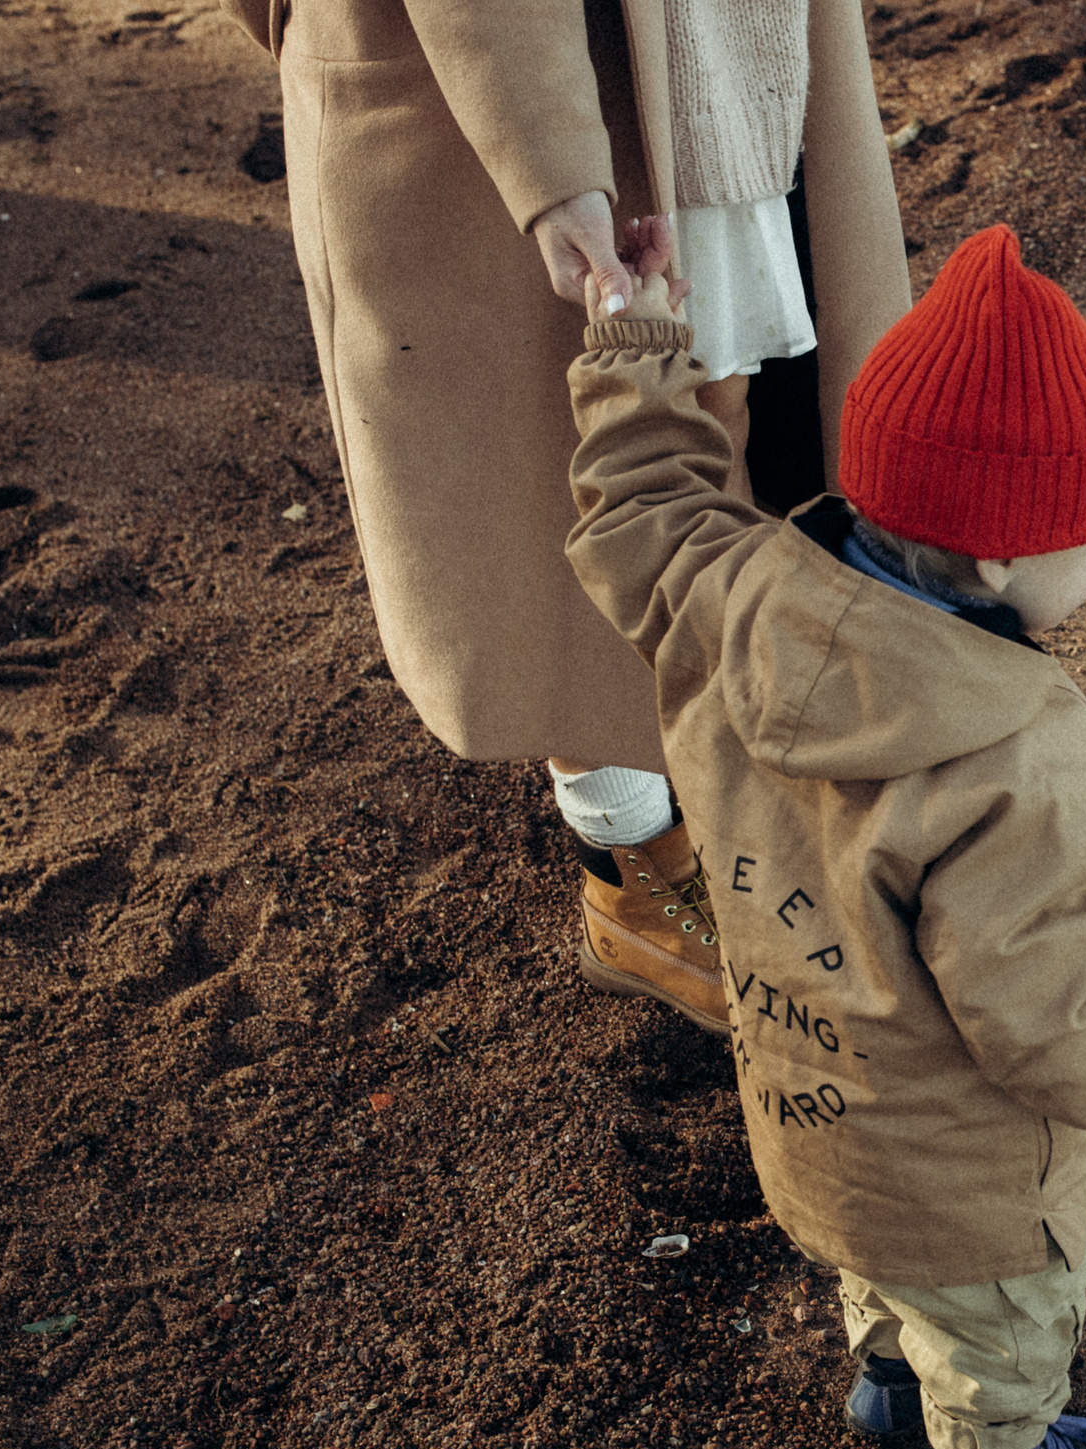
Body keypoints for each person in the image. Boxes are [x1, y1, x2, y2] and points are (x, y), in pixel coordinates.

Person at [561, 225, 1086, 1449]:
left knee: (874, 1249)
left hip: (803, 1095)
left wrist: (631, 353)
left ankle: (890, 1380)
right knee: (1006, 1311)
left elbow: (637, 509)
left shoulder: (736, 589)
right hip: (964, 1165)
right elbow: (1034, 1000)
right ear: (1003, 563)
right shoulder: (1029, 757)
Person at [221, 0, 910, 1031]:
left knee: (736, 443)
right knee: (571, 504)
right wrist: (546, 161)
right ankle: (636, 873)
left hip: (731, 61)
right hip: (525, 84)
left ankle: (735, 814)